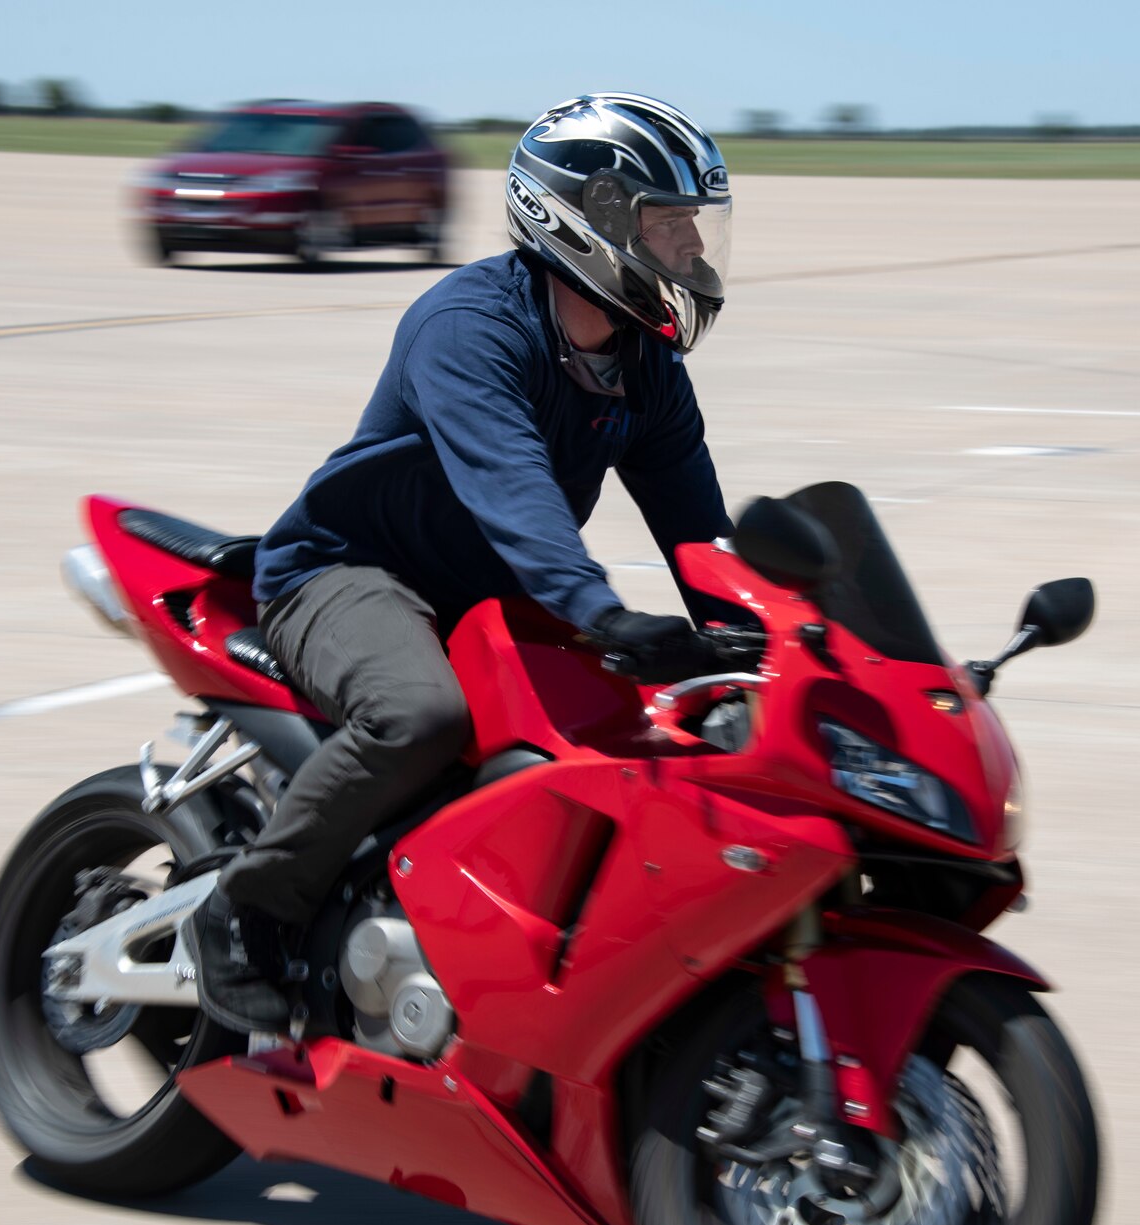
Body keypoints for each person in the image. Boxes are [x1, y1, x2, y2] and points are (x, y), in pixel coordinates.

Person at [184, 92, 739, 1034]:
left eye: (695, 224)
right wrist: (600, 613)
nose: (690, 247)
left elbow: (697, 527)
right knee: (418, 715)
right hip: (350, 571)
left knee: (634, 745)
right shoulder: (471, 326)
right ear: (590, 219)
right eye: (669, 221)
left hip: (493, 597)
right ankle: (245, 912)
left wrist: (753, 640)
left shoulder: (646, 365)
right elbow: (511, 486)